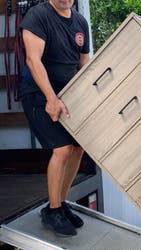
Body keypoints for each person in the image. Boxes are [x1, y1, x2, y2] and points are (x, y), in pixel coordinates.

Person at [19, 0, 90, 237]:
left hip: (68, 94)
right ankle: (53, 210)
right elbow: (33, 60)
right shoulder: (37, 15)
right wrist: (51, 98)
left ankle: (59, 202)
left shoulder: (80, 21)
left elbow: (83, 63)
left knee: (78, 148)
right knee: (62, 149)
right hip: (38, 93)